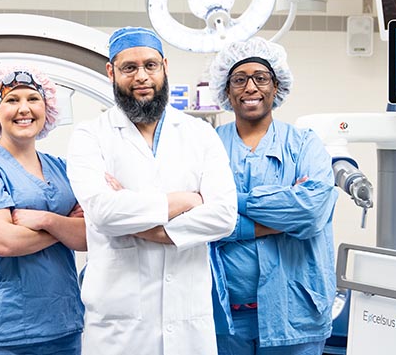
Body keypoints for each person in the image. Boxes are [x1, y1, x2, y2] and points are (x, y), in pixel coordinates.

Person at [66, 26, 237, 355]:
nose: (141, 76)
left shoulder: (199, 134)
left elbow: (224, 216)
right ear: (111, 72)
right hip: (119, 327)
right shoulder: (90, 136)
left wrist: (141, 221)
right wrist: (186, 201)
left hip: (188, 321)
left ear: (165, 67)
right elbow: (102, 212)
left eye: (150, 65)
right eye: (129, 68)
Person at [208, 37, 338, 355]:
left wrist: (230, 202)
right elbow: (193, 217)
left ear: (275, 86)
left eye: (260, 78)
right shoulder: (207, 145)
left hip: (296, 314)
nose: (250, 87)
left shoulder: (304, 144)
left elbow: (309, 212)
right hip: (226, 321)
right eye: (239, 79)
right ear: (227, 90)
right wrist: (280, 209)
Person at [0, 66, 86, 355]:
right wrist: (63, 227)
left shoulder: (63, 170)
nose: (24, 108)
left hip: (61, 327)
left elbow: (90, 234)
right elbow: (3, 241)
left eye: (33, 99)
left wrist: (45, 220)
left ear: (46, 108)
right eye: (12, 100)